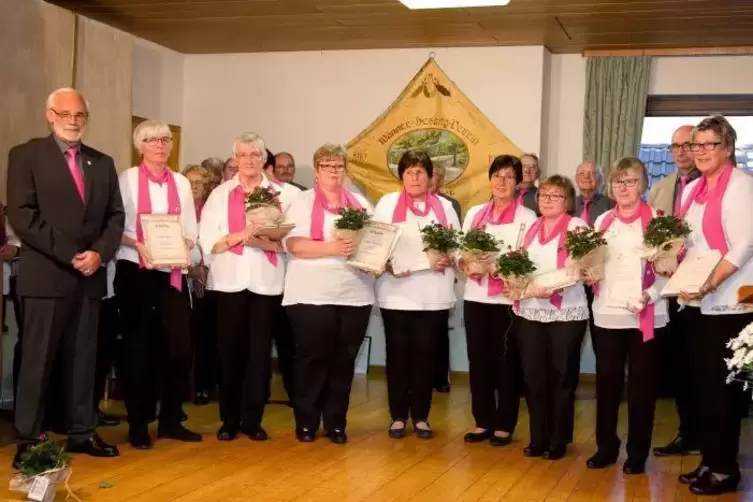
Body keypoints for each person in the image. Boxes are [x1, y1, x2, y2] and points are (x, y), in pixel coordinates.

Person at [7, 87, 124, 467]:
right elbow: (23, 216)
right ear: (49, 115)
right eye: (65, 114)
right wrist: (70, 254)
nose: (73, 121)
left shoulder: (102, 163)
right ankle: (29, 435)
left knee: (84, 359)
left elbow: (115, 217)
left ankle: (81, 431)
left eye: (79, 115)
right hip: (45, 276)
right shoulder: (26, 156)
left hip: (89, 276)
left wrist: (100, 253)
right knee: (38, 361)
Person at [199, 133, 298, 441]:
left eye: (256, 155)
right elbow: (209, 240)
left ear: (263, 159)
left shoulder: (283, 194)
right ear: (236, 160)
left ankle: (252, 419)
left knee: (258, 355)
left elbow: (289, 242)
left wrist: (257, 239)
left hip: (266, 284)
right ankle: (229, 419)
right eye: (244, 156)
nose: (250, 161)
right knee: (229, 352)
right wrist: (243, 235)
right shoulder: (220, 194)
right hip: (228, 282)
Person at [675, 116, 753, 495]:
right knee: (701, 388)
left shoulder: (741, 186)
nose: (701, 151)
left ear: (727, 149)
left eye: (710, 144)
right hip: (696, 303)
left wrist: (707, 283)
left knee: (723, 393)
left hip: (730, 303)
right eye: (697, 144)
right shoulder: (694, 189)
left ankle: (725, 469)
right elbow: (688, 242)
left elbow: (743, 246)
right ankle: (709, 458)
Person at [115, 119, 201, 449]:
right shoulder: (127, 180)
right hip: (135, 271)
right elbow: (116, 227)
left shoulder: (180, 182)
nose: (160, 145)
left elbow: (190, 229)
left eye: (165, 139)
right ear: (140, 146)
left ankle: (170, 420)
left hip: (172, 274)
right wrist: (137, 244)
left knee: (179, 350)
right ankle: (138, 424)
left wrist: (186, 246)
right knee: (139, 350)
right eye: (152, 140)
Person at [282, 144, 374, 444]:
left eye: (338, 165)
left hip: (354, 293)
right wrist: (332, 248)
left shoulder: (360, 203)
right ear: (317, 170)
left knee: (343, 361)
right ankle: (306, 421)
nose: (334, 171)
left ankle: (336, 423)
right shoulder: (302, 200)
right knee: (312, 358)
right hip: (311, 294)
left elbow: (373, 243)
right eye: (327, 165)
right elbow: (294, 245)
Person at [587, 158, 668, 475]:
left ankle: (637, 453)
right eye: (618, 182)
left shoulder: (660, 221)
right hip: (608, 314)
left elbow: (669, 269)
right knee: (606, 385)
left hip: (646, 313)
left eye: (630, 181)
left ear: (644, 184)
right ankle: (606, 447)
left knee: (642, 388)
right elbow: (593, 264)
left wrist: (651, 295)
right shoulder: (602, 221)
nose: (623, 187)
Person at [372, 151, 460, 439]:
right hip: (396, 293)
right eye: (409, 172)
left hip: (433, 293)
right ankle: (397, 416)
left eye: (420, 172)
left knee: (425, 355)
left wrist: (450, 256)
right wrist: (387, 264)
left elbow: (456, 245)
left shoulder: (445, 207)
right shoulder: (386, 204)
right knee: (397, 355)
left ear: (430, 177)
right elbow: (376, 243)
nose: (415, 177)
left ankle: (421, 416)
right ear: (401, 176)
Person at [460, 155, 536, 447]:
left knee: (507, 364)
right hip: (475, 297)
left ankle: (504, 424)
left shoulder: (527, 218)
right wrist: (463, 262)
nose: (502, 182)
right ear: (489, 180)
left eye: (509, 176)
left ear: (518, 183)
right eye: (497, 176)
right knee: (478, 362)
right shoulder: (475, 214)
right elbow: (461, 251)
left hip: (507, 300)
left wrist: (503, 269)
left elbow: (529, 261)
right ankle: (482, 421)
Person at [515, 175, 588, 461]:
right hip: (532, 310)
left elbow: (582, 266)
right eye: (543, 194)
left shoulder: (577, 226)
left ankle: (558, 439)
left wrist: (553, 287)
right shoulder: (531, 228)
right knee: (534, 377)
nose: (546, 199)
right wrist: (527, 286)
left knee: (561, 377)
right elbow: (518, 265)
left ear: (567, 201)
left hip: (566, 312)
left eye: (554, 195)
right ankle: (537, 437)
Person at [650, 125, 702, 458]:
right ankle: (688, 434)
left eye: (688, 145)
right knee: (682, 365)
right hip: (670, 289)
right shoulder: (661, 188)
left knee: (703, 367)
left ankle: (709, 437)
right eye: (676, 146)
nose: (681, 152)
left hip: (706, 286)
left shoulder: (712, 184)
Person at [184, 164, 217, 406]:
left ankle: (203, 385)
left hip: (208, 279)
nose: (194, 186)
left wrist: (202, 269)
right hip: (181, 276)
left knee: (204, 335)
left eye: (199, 183)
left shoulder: (210, 211)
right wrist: (191, 270)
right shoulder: (178, 210)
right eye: (190, 182)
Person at [428, 162, 460, 392]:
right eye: (430, 174)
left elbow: (453, 240)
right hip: (412, 278)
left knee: (439, 329)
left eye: (437, 176)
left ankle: (440, 377)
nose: (432, 180)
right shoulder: (401, 203)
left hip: (440, 273)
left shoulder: (450, 205)